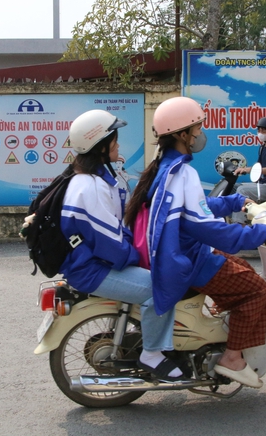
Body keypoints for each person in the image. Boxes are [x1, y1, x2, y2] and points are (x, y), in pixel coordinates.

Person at [124, 97, 266, 388]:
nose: (201, 134)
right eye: (197, 128)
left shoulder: (165, 167)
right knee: (256, 289)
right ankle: (232, 359)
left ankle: (218, 330)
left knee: (241, 268)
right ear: (182, 134)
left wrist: (234, 202)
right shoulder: (183, 173)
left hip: (186, 250)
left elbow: (196, 208)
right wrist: (262, 233)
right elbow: (208, 228)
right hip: (191, 259)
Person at [59, 109, 184, 380]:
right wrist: (137, 256)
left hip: (93, 262)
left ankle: (144, 332)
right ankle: (152, 354)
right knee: (162, 286)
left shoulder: (94, 179)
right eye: (114, 141)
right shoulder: (90, 187)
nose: (118, 145)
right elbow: (110, 243)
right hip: (92, 269)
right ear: (99, 147)